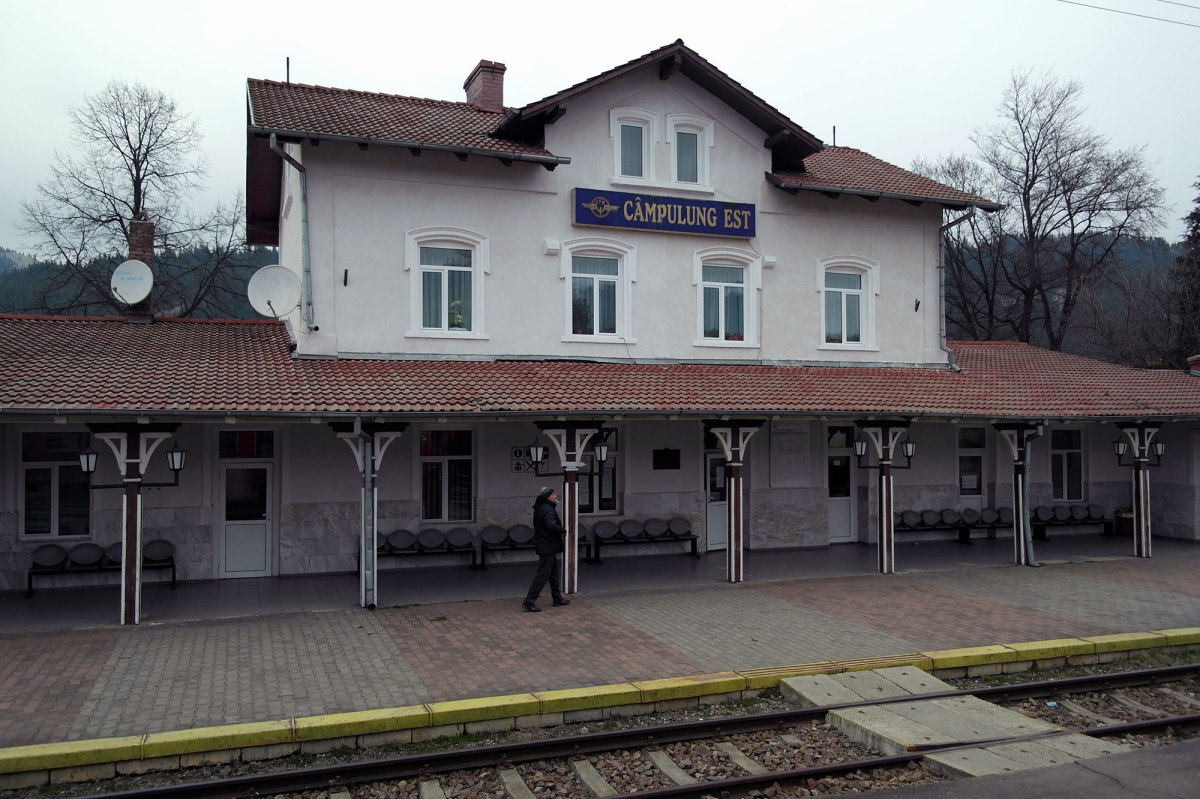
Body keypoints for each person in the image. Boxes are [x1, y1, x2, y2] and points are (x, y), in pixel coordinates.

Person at [523, 486, 571, 612]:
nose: (556, 496)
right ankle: (529, 601)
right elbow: (551, 525)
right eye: (554, 494)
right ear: (548, 496)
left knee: (553, 574)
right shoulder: (547, 509)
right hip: (547, 545)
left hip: (547, 545)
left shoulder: (541, 507)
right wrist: (562, 530)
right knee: (543, 574)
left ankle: (557, 598)